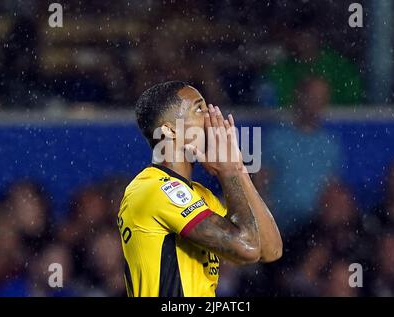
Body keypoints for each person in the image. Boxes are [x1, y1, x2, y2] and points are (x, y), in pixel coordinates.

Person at [118, 81, 282, 297]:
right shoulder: (153, 189)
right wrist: (229, 173)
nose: (213, 119)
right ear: (170, 130)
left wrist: (239, 170)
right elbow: (247, 248)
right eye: (200, 109)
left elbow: (270, 249)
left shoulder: (201, 195)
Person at [255, 77, 344, 232]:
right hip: (280, 224)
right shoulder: (276, 138)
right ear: (299, 97)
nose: (316, 103)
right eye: (312, 97)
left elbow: (332, 187)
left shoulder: (329, 144)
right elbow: (261, 181)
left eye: (321, 98)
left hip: (316, 228)